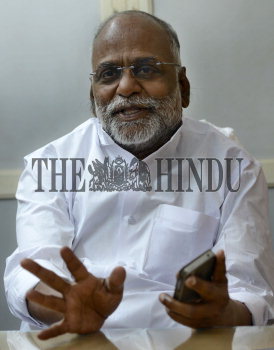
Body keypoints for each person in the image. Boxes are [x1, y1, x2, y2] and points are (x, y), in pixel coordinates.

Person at [4, 10, 274, 340]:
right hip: (76, 339)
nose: (127, 86)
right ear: (93, 96)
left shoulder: (233, 166)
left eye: (146, 69)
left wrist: (225, 312)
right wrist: (64, 304)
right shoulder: (50, 166)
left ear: (183, 86)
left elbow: (251, 289)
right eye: (108, 74)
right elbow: (33, 269)